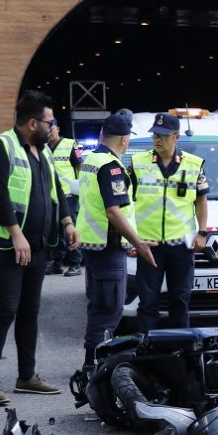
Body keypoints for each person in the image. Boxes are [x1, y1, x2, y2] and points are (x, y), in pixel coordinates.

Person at [0, 90, 77, 405]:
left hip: (38, 246)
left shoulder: (43, 151)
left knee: (30, 311)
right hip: (6, 246)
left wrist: (67, 221)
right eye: (49, 122)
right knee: (6, 309)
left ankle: (26, 376)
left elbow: (56, 190)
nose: (53, 127)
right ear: (33, 123)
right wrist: (16, 234)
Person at [76, 113, 156, 367]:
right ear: (124, 139)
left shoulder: (91, 159)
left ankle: (92, 362)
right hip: (108, 248)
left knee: (98, 307)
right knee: (110, 309)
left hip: (93, 245)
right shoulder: (111, 167)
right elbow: (114, 211)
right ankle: (96, 366)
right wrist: (138, 242)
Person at [130, 113, 209, 330]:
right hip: (148, 245)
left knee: (180, 301)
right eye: (155, 134)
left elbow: (201, 201)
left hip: (181, 246)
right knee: (147, 302)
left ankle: (180, 352)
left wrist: (202, 232)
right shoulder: (138, 164)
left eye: (163, 136)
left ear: (176, 137)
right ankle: (146, 353)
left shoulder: (193, 165)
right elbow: (126, 205)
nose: (157, 139)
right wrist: (130, 239)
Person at [47, 122, 85, 277]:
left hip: (69, 195)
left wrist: (81, 189)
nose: (49, 131)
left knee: (69, 230)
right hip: (51, 196)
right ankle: (57, 263)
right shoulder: (43, 147)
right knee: (54, 231)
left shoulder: (70, 145)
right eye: (47, 128)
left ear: (58, 129)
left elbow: (80, 167)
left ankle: (75, 263)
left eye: (52, 127)